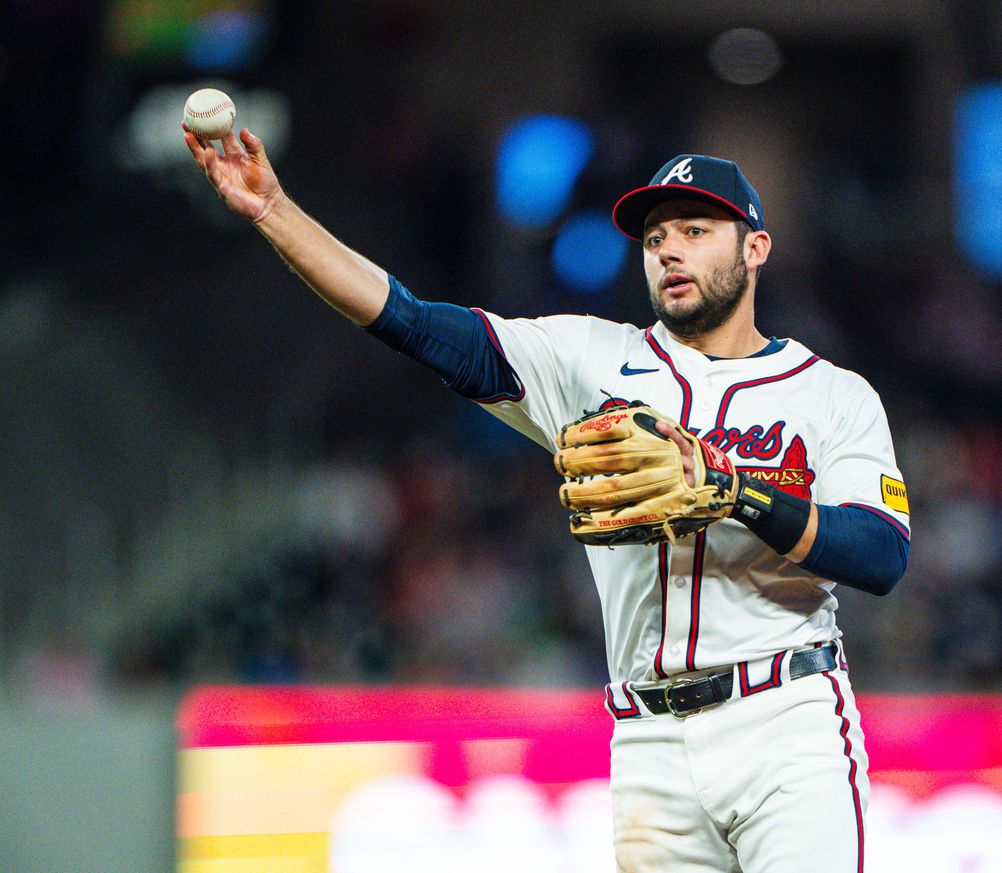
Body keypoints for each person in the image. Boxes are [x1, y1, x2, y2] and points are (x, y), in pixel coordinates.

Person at [184, 125, 910, 872]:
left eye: (697, 230)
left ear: (755, 248)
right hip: (648, 740)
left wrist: (734, 492)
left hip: (785, 719)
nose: (670, 249)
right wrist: (276, 212)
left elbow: (881, 553)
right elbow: (410, 320)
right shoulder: (588, 358)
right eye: (656, 236)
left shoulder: (831, 393)